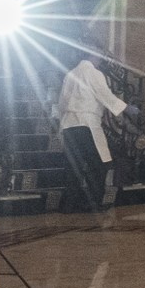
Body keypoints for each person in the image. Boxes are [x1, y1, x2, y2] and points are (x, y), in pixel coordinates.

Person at [54, 58, 131, 211]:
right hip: (87, 124)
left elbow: (62, 101)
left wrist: (60, 119)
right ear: (93, 56)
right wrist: (126, 109)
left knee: (73, 166)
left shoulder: (70, 74)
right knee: (98, 165)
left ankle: (69, 204)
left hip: (69, 125)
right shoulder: (93, 73)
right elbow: (104, 94)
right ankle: (94, 203)